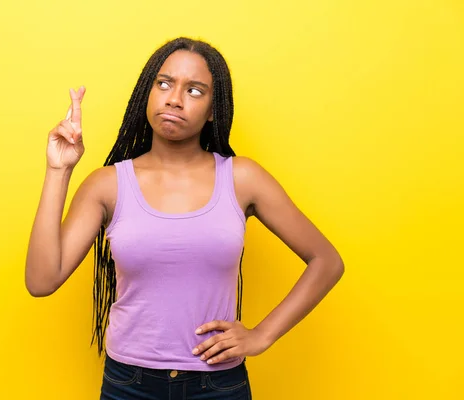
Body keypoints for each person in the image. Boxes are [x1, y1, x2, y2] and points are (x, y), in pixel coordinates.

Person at [25, 37, 345, 399]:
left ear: (213, 109)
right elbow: (41, 280)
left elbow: (327, 261)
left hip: (218, 386)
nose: (174, 98)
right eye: (164, 84)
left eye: (194, 90)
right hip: (129, 385)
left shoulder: (242, 178)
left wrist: (262, 334)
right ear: (148, 93)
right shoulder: (107, 184)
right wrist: (58, 169)